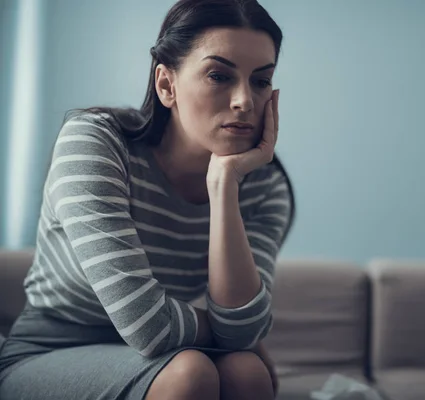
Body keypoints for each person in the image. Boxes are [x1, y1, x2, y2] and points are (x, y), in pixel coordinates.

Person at [0, 0, 295, 398]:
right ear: (166, 85)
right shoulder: (95, 144)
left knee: (248, 372)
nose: (244, 100)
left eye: (260, 81)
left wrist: (224, 183)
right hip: (49, 352)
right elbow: (150, 326)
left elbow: (242, 336)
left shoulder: (263, 185)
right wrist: (229, 331)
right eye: (218, 76)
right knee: (191, 373)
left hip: (163, 355)